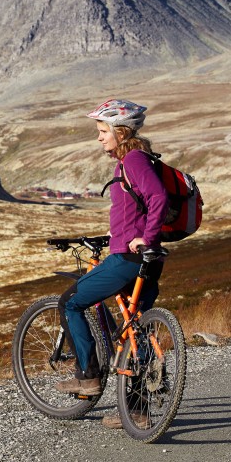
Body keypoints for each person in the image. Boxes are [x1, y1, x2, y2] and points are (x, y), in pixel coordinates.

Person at [56, 99, 169, 425]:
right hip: (145, 257)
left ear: (120, 132)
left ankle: (88, 376)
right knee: (137, 328)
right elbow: (136, 207)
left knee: (70, 303)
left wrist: (145, 237)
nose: (99, 137)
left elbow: (158, 197)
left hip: (129, 259)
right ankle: (138, 412)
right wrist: (118, 234)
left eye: (103, 131)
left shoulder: (133, 160)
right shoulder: (138, 159)